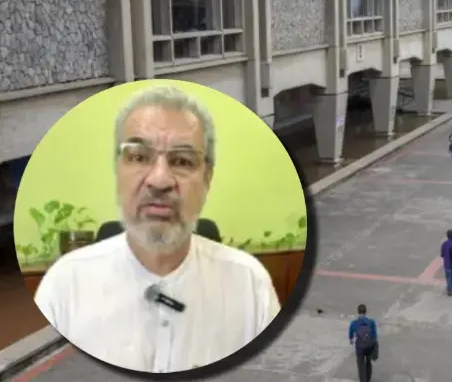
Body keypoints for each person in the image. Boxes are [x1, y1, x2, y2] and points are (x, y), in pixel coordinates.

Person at [33, 84, 281, 373]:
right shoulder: (64, 286)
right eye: (139, 157)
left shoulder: (250, 286)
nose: (160, 180)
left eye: (182, 161)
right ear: (118, 170)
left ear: (207, 179)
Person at [348, 304, 378, 382]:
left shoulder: (354, 323)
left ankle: (363, 380)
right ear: (366, 312)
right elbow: (374, 335)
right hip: (369, 346)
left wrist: (351, 340)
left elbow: (351, 333)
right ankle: (368, 379)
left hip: (360, 347)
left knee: (361, 366)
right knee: (368, 363)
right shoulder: (371, 322)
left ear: (358, 312)